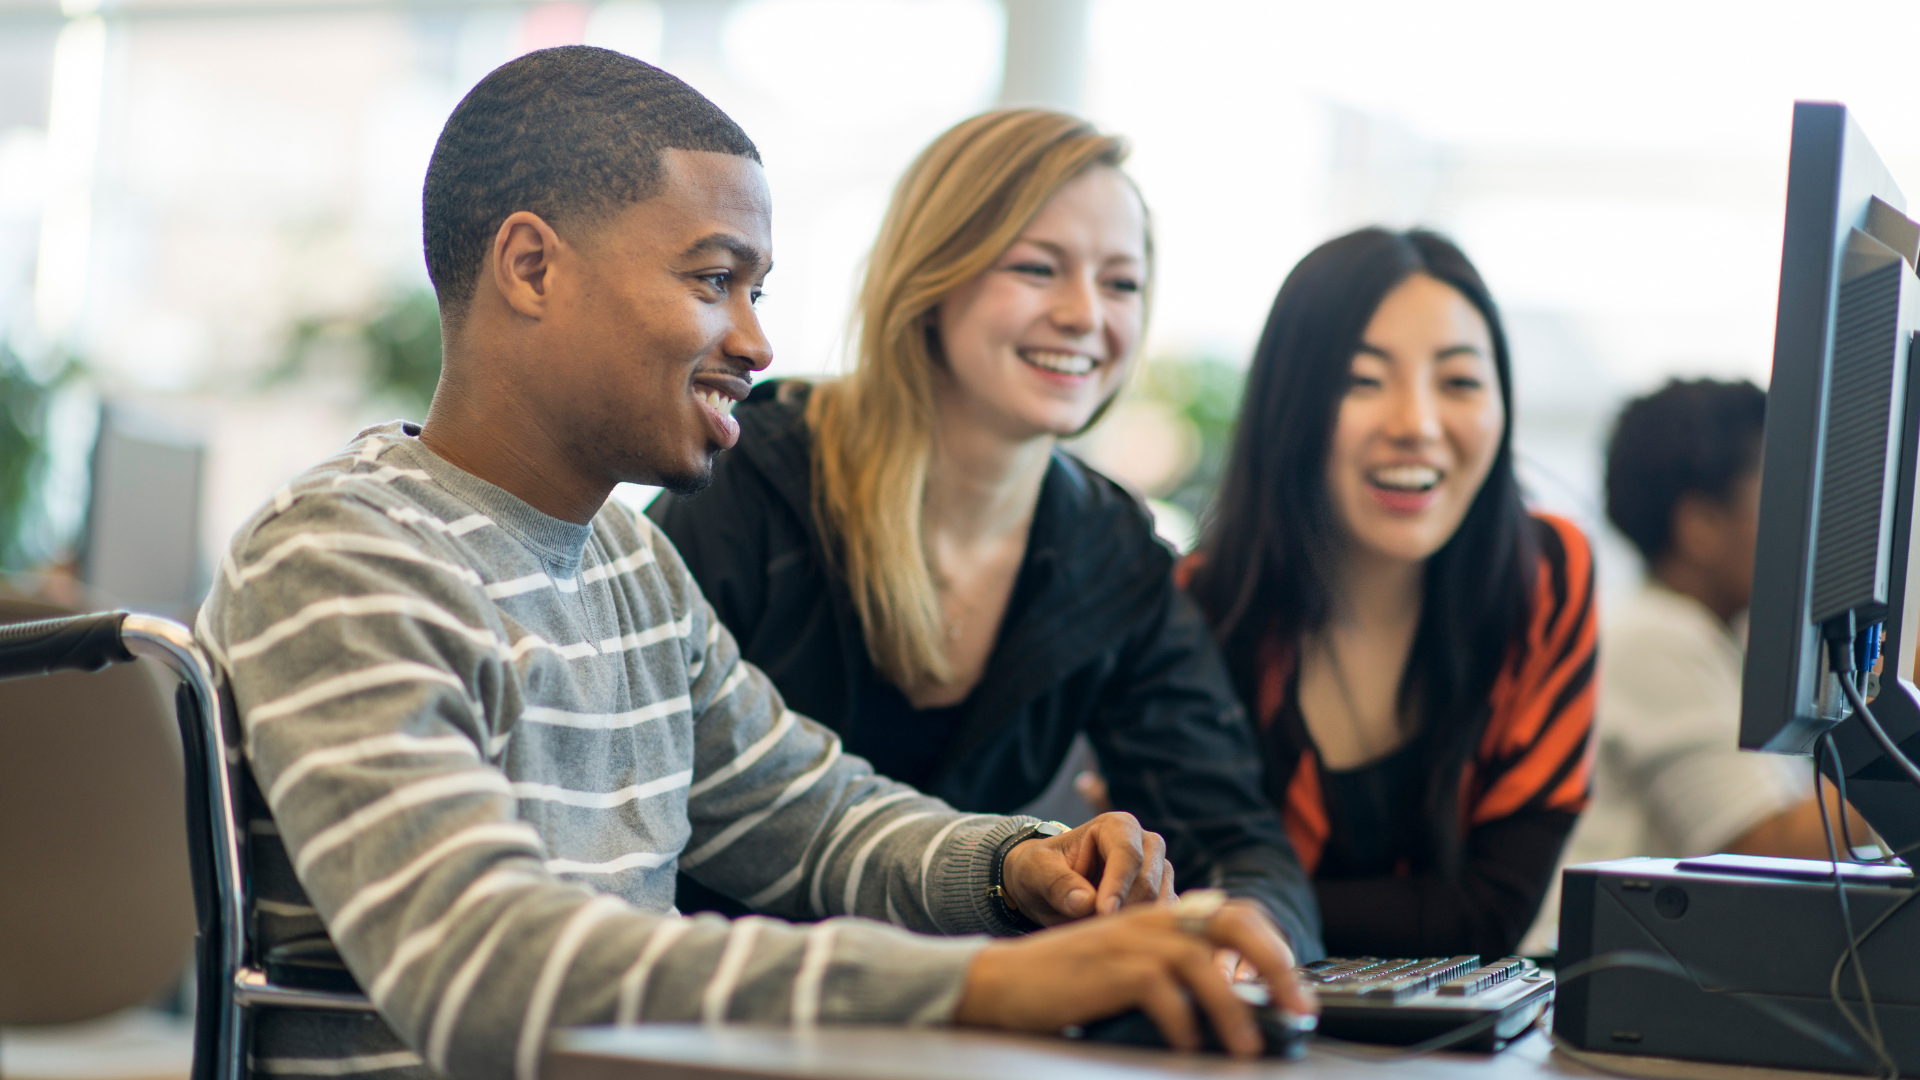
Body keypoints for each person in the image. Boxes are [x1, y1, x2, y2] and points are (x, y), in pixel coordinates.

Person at [196, 48, 1311, 1080]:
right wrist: (988, 985)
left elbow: (817, 819)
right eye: (712, 279)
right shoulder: (341, 559)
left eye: (757, 290)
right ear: (532, 267)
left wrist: (1023, 864)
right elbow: (487, 967)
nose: (756, 344)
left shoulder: (630, 564)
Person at [645, 108, 1322, 962]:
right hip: (729, 1015)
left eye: (1121, 284)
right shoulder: (750, 485)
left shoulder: (1113, 554)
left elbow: (1238, 843)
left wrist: (1239, 950)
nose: (1085, 315)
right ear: (934, 278)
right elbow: (642, 810)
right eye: (1040, 268)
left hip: (968, 1026)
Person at [1181, 227, 1597, 960]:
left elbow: (1490, 914)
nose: (1417, 425)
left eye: (1460, 381)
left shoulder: (1547, 577)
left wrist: (1238, 906)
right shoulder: (1198, 609)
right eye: (1361, 380)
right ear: (1291, 405)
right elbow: (1181, 893)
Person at [1518, 378, 1872, 954]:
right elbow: (1766, 850)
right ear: (1700, 526)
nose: (1810, 526)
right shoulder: (1657, 637)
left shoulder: (1712, 639)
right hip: (1576, 984)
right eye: (1783, 497)